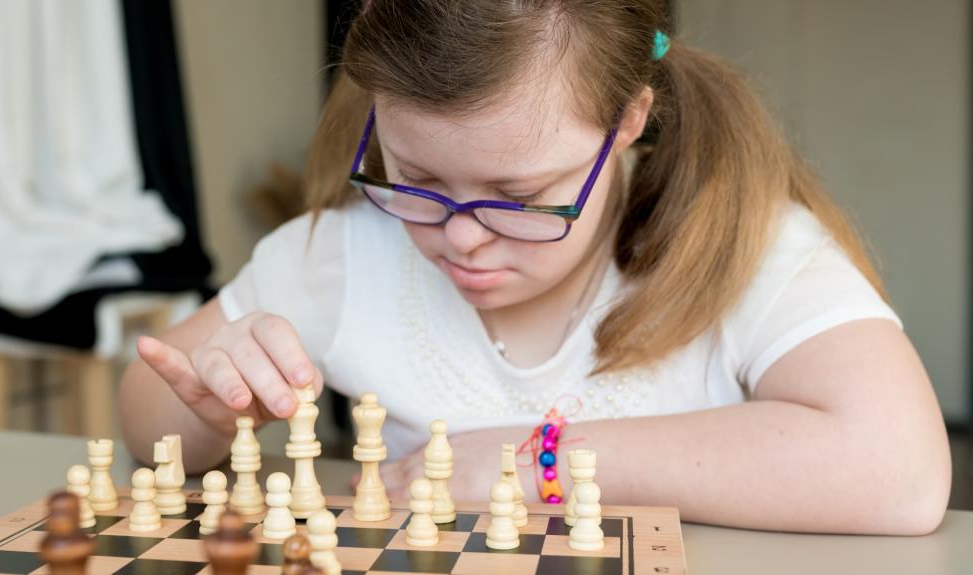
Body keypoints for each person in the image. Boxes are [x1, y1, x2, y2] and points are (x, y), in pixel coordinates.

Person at [119, 0, 950, 534]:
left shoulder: (742, 242)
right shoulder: (348, 249)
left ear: (628, 120)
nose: (463, 237)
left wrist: (534, 460)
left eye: (519, 196)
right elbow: (146, 410)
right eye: (418, 178)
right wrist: (212, 407)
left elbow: (904, 472)